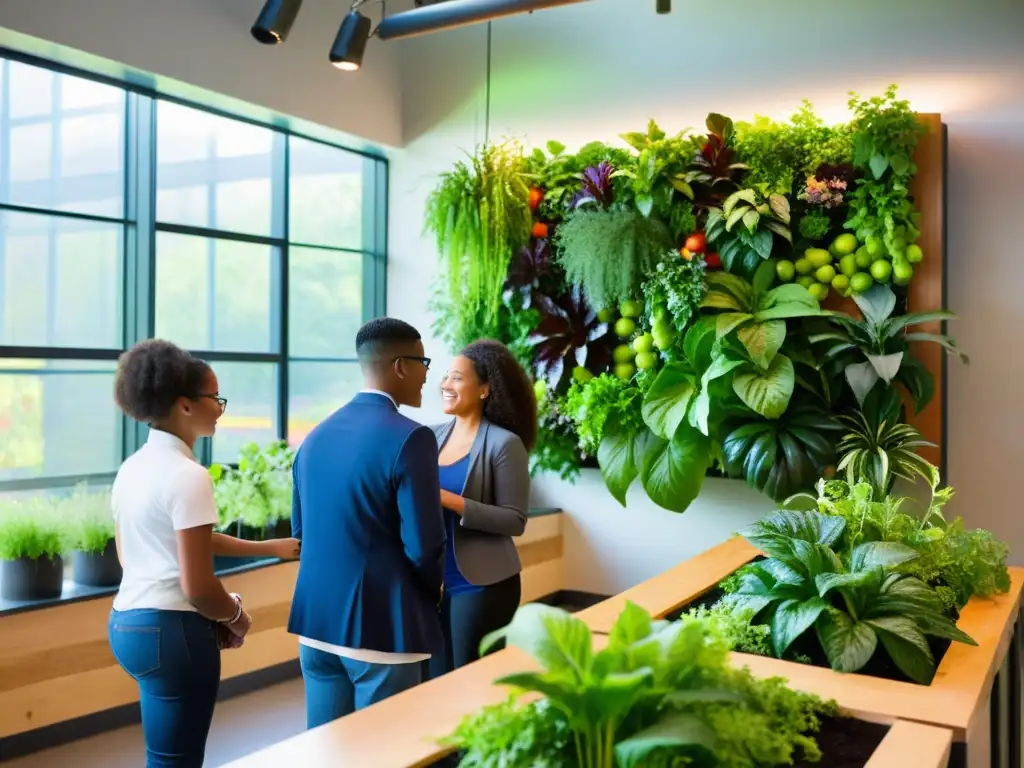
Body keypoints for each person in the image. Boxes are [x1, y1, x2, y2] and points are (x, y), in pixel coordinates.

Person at [109, 339, 300, 767]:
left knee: (163, 756)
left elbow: (147, 550)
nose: (221, 407)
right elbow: (197, 587)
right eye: (215, 397)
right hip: (173, 633)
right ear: (185, 405)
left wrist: (268, 547)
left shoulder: (132, 467)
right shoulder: (188, 475)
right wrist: (235, 616)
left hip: (128, 625)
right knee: (179, 760)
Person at [288, 317, 446, 729]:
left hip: (316, 626)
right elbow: (425, 545)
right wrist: (431, 595)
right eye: (423, 362)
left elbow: (301, 534)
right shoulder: (413, 437)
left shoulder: (314, 436)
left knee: (328, 751)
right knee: (385, 752)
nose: (427, 374)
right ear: (400, 366)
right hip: (383, 627)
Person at [429, 339, 535, 677]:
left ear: (485, 388)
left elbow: (514, 520)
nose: (445, 385)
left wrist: (448, 500)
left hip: (482, 585)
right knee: (435, 682)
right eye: (446, 377)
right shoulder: (429, 438)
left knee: (468, 679)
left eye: (457, 378)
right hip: (432, 584)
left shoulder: (504, 443)